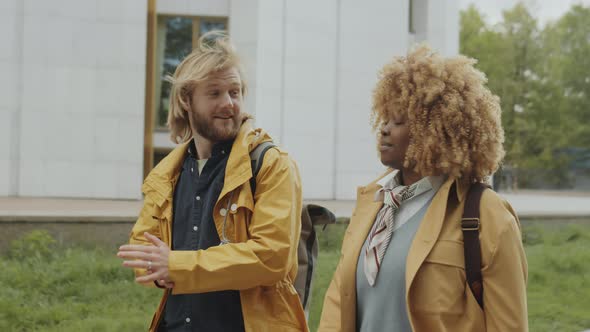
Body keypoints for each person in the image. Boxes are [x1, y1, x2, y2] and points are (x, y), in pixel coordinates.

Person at [318, 46, 528, 331]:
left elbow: (508, 325)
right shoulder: (372, 203)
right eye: (385, 119)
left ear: (437, 131)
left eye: (399, 121)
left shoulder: (488, 215)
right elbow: (338, 303)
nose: (384, 129)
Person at [117, 31, 308, 332]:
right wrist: (157, 269)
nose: (229, 103)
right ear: (186, 100)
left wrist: (176, 266)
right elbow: (144, 246)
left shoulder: (271, 164)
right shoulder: (167, 173)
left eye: (235, 92)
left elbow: (272, 256)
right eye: (215, 93)